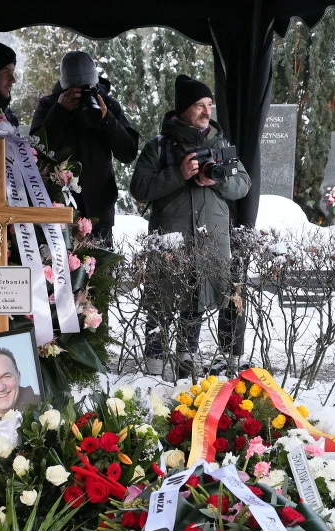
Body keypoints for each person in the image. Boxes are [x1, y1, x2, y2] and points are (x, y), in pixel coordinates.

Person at [130, 75, 250, 379]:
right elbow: (140, 188)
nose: (206, 111)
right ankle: (153, 370)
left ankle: (186, 364)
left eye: (209, 104)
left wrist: (218, 178)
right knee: (160, 301)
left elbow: (243, 185)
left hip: (210, 239)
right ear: (183, 108)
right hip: (171, 242)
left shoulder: (222, 146)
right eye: (199, 105)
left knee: (196, 298)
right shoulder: (158, 147)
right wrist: (178, 174)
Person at [30, 51, 139, 245]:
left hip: (99, 212)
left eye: (86, 88)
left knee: (101, 273)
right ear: (64, 87)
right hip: (59, 209)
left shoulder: (107, 105)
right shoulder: (49, 106)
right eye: (74, 90)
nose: (81, 95)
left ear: (95, 84)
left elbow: (128, 152)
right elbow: (34, 153)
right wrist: (59, 112)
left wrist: (107, 120)